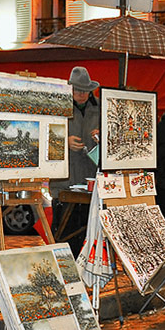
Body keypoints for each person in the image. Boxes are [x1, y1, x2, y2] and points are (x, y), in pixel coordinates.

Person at [51, 67, 100, 242]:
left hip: (90, 179)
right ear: (70, 90)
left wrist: (101, 136)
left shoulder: (99, 108)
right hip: (64, 180)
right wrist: (65, 142)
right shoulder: (56, 108)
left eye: (85, 90)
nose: (82, 94)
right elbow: (45, 137)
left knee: (88, 235)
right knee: (64, 234)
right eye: (78, 90)